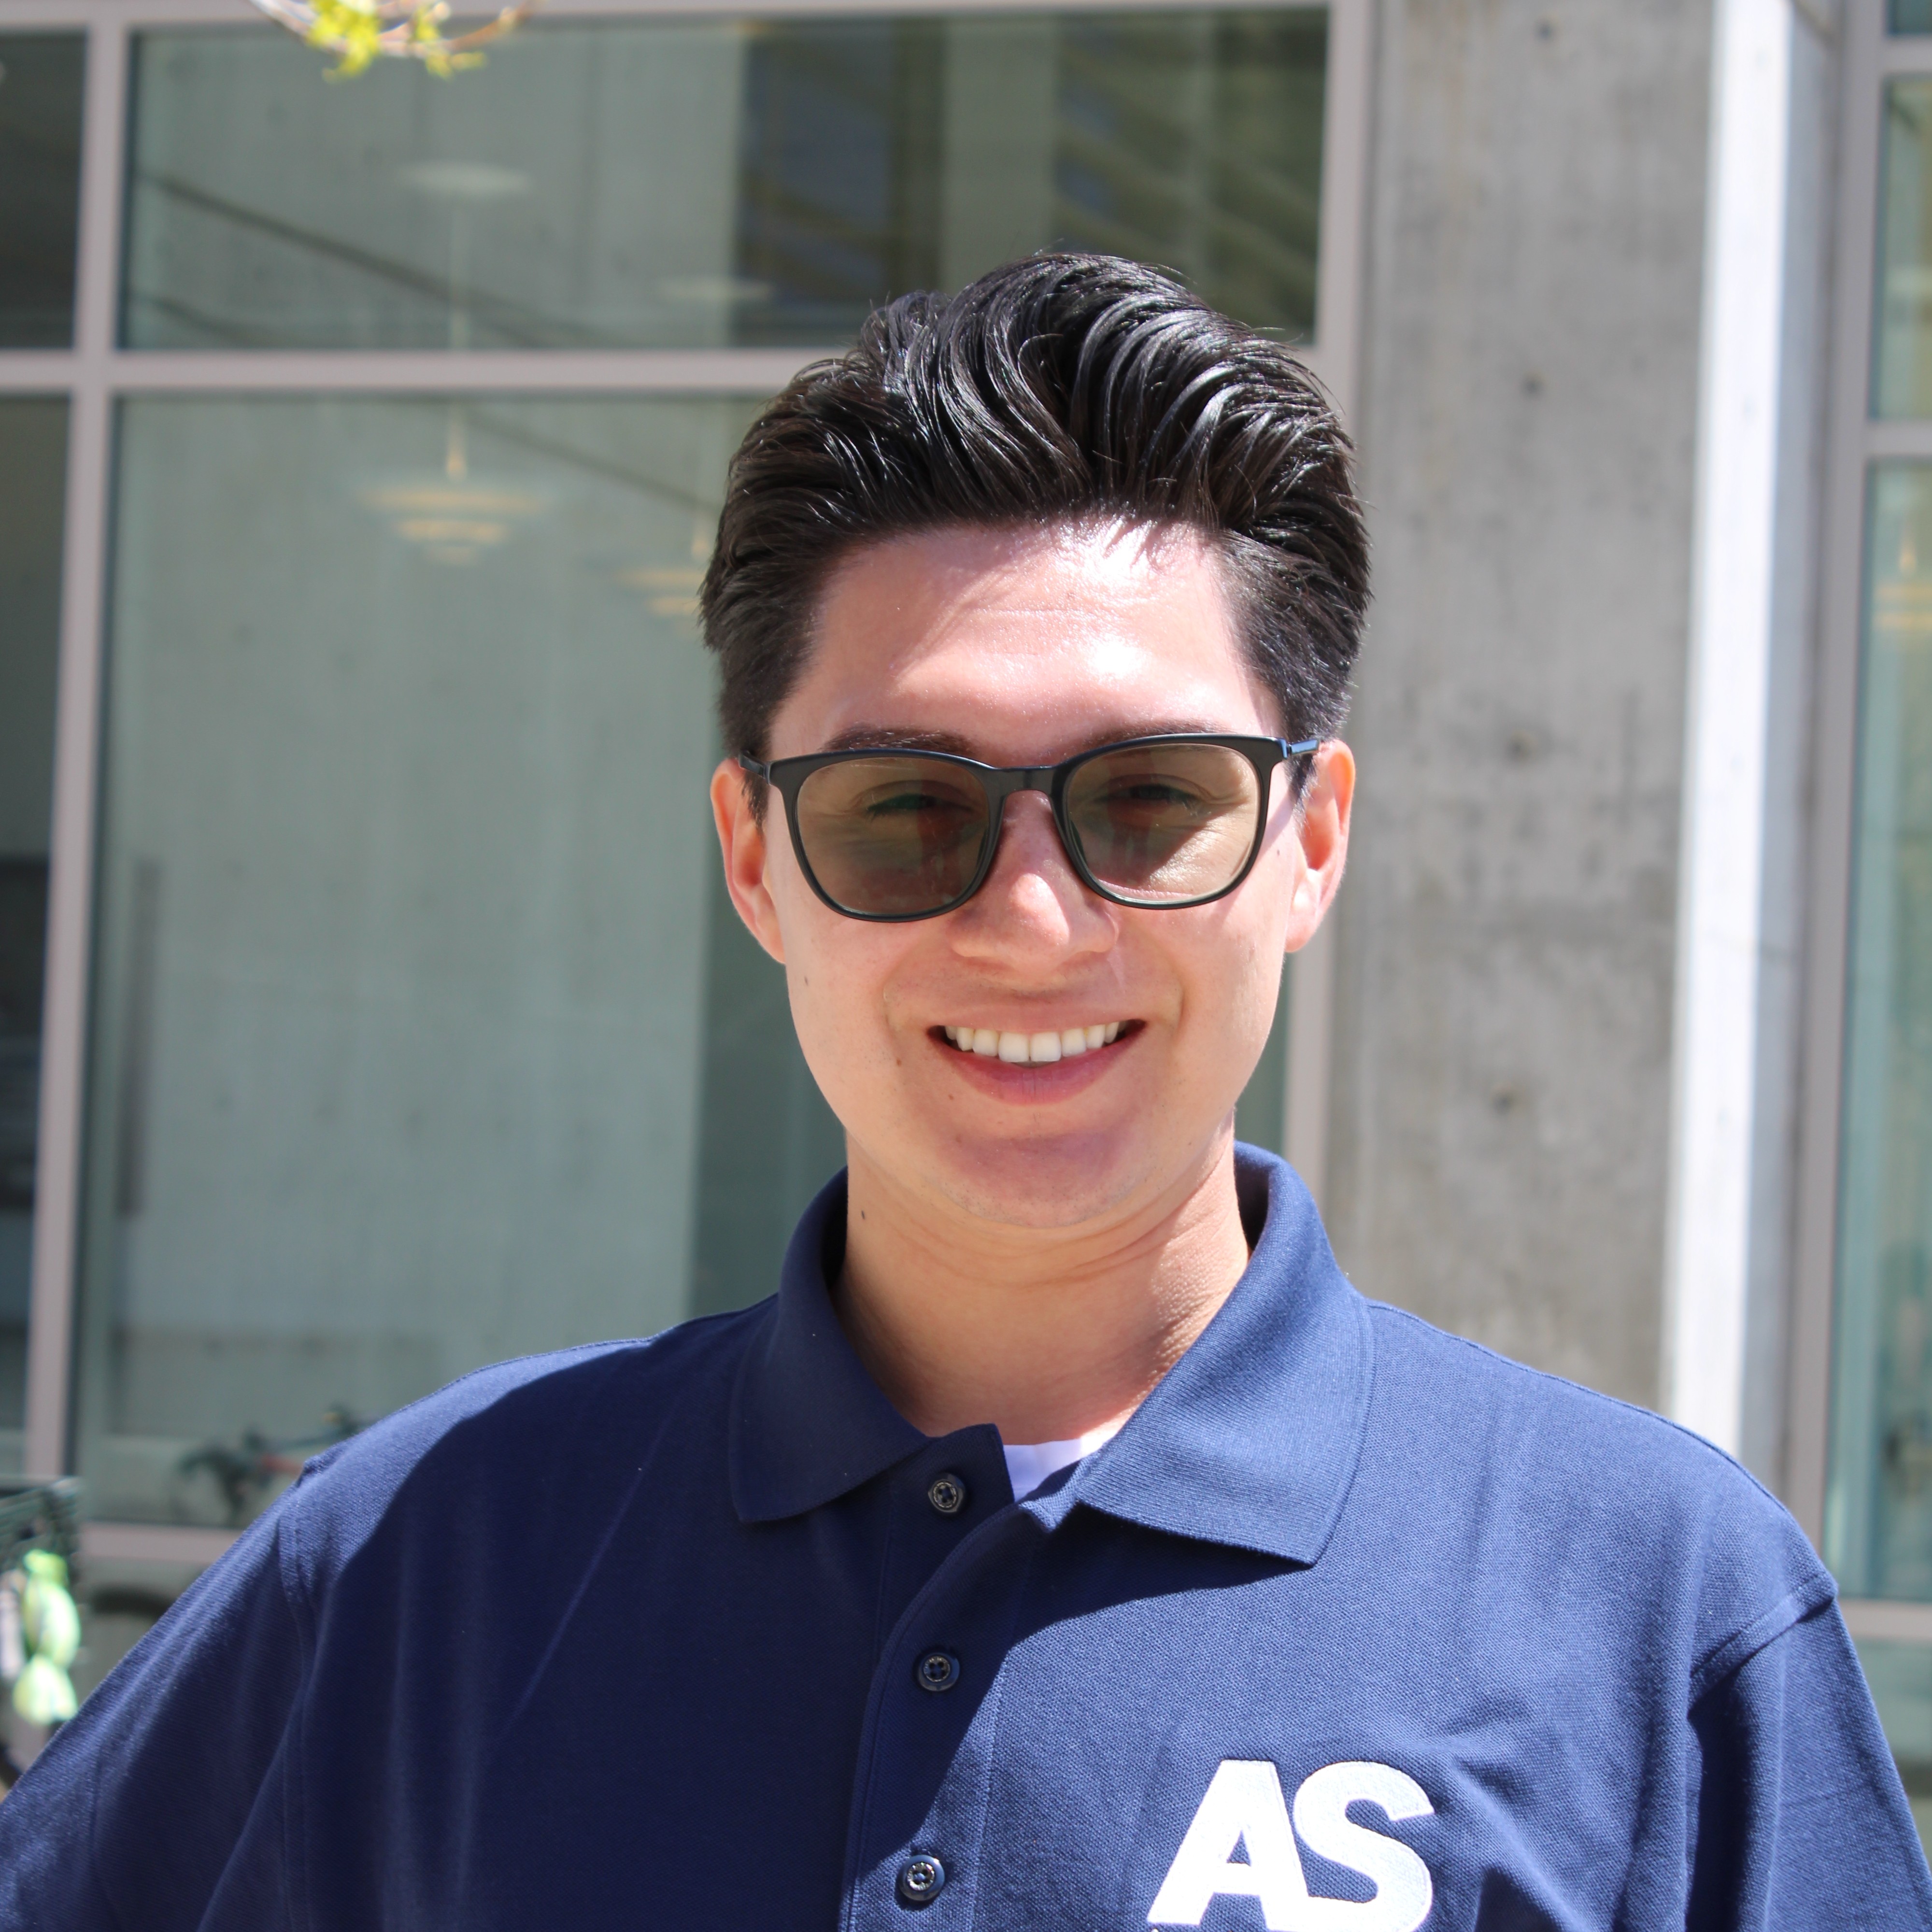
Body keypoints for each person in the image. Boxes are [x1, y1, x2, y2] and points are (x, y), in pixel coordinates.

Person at [0, 254, 1924, 1931]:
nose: (1027, 921)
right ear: (755, 862)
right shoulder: (420, 1561)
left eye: (1149, 802)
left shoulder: (1654, 1606)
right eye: (905, 809)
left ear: (1309, 842)